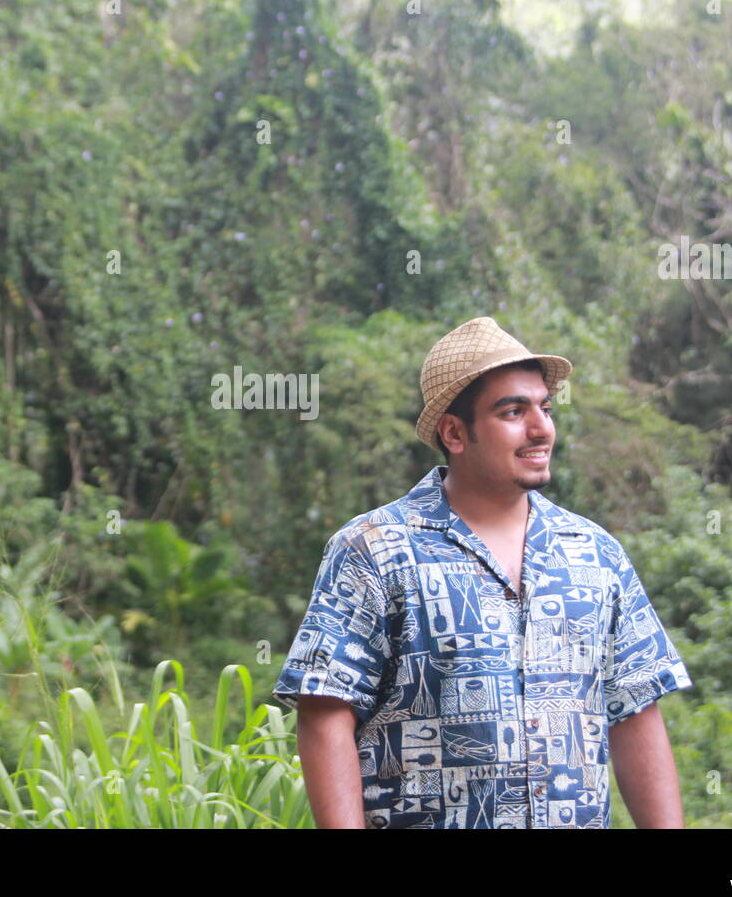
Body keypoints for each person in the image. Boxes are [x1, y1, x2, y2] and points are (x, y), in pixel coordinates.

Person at [273, 316, 694, 828]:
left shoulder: (594, 553)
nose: (541, 428)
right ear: (454, 432)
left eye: (544, 407)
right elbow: (325, 713)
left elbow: (635, 711)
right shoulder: (376, 550)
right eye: (513, 411)